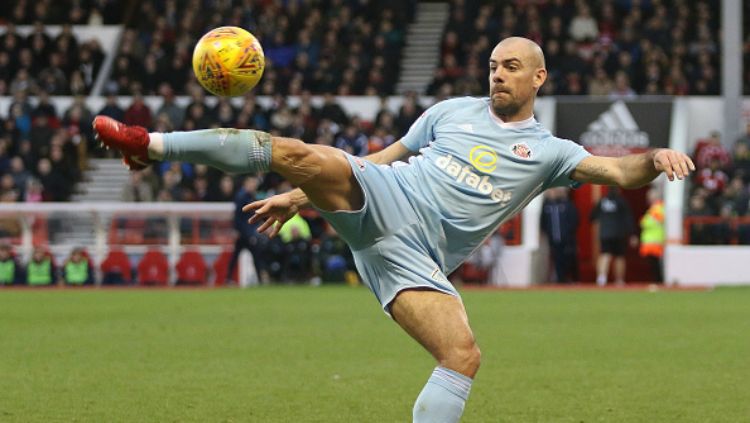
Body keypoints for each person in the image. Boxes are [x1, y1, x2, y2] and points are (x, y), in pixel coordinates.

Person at [93, 37, 695, 423]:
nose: (498, 76)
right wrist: (304, 199)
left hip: (414, 256)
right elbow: (381, 159)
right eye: (492, 66)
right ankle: (150, 144)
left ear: (538, 78)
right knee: (301, 153)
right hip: (387, 195)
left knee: (461, 356)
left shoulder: (549, 151)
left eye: (511, 67)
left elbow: (618, 170)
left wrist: (658, 155)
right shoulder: (450, 111)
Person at [590, 187, 636, 286]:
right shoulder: (621, 202)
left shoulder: (602, 201)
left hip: (605, 233)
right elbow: (628, 218)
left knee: (605, 254)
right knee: (619, 256)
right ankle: (619, 280)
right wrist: (632, 234)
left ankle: (601, 278)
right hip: (619, 233)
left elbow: (592, 216)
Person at [227, 176, 269, 285]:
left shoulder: (249, 196)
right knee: (253, 255)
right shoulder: (242, 196)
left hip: (246, 232)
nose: (254, 185)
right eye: (252, 183)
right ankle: (259, 279)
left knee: (240, 256)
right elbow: (238, 216)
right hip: (245, 233)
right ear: (246, 183)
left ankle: (229, 278)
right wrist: (239, 230)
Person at [540, 187, 579, 283]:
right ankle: (560, 279)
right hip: (553, 239)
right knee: (557, 259)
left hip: (567, 239)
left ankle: (572, 278)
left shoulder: (567, 204)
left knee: (569, 258)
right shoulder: (546, 206)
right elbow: (543, 222)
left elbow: (574, 220)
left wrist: (568, 233)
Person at [639, 188, 665, 282]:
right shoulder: (654, 209)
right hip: (652, 242)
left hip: (655, 242)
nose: (648, 199)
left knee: (656, 266)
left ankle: (658, 282)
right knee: (654, 266)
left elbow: (647, 223)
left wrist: (643, 221)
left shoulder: (657, 208)